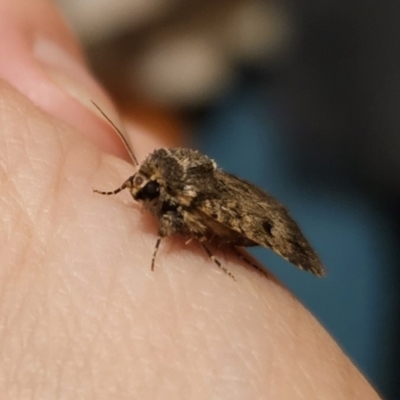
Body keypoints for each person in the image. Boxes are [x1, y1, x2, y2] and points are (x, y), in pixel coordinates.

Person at [0, 1, 379, 398]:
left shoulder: (183, 197)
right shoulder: (161, 166)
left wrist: (173, 251)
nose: (135, 191)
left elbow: (186, 217)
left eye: (142, 188)